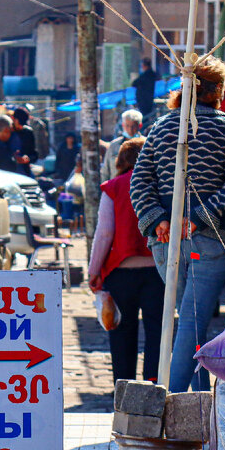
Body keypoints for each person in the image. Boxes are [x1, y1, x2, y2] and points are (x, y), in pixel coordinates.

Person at [129, 54, 225, 393]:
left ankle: (193, 399)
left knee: (187, 324)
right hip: (210, 240)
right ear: (218, 91)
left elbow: (139, 182)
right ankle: (172, 401)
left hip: (165, 242)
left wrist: (158, 221)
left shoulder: (160, 127)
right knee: (192, 324)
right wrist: (196, 219)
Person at [89, 138, 165, 385]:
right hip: (158, 270)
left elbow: (104, 233)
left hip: (120, 272)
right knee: (157, 331)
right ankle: (154, 383)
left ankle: (124, 386)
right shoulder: (162, 186)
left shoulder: (113, 187)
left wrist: (93, 270)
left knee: (122, 331)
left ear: (121, 160)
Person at [101, 108, 143, 182]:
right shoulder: (114, 145)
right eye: (127, 126)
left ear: (140, 125)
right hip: (116, 189)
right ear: (123, 125)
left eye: (133, 126)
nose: (130, 129)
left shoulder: (146, 144)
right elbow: (105, 172)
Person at [11, 107, 39, 176]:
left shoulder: (28, 132)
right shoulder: (8, 132)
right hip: (10, 171)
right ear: (13, 119)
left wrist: (28, 158)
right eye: (19, 123)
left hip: (25, 170)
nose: (21, 126)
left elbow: (34, 154)